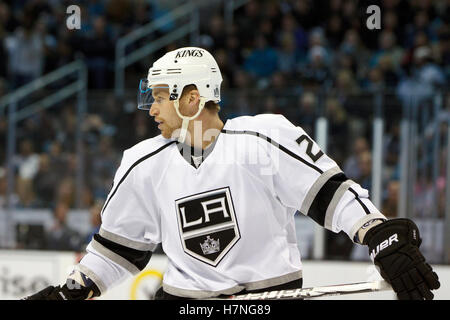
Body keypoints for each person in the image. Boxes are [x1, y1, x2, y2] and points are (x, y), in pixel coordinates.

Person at [25, 47, 440, 300]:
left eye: (157, 98)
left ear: (190, 98)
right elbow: (118, 253)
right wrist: (73, 291)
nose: (150, 109)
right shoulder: (141, 162)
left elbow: (333, 196)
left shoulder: (265, 136)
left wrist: (378, 234)